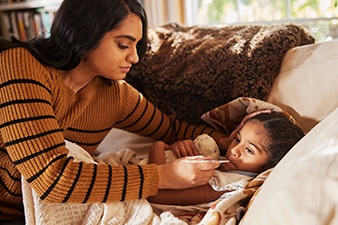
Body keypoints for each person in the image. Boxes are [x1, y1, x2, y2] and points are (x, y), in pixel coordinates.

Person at [0, 0, 230, 222]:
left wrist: (228, 141)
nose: (135, 57)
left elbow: (171, 128)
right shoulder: (19, 65)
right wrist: (164, 176)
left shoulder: (114, 94)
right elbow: (53, 179)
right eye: (123, 45)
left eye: (136, 45)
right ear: (85, 33)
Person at [147, 111, 305, 205]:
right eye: (237, 139)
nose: (235, 149)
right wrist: (174, 151)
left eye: (249, 150)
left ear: (266, 168)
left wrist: (158, 147)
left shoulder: (227, 184)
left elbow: (155, 196)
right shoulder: (222, 164)